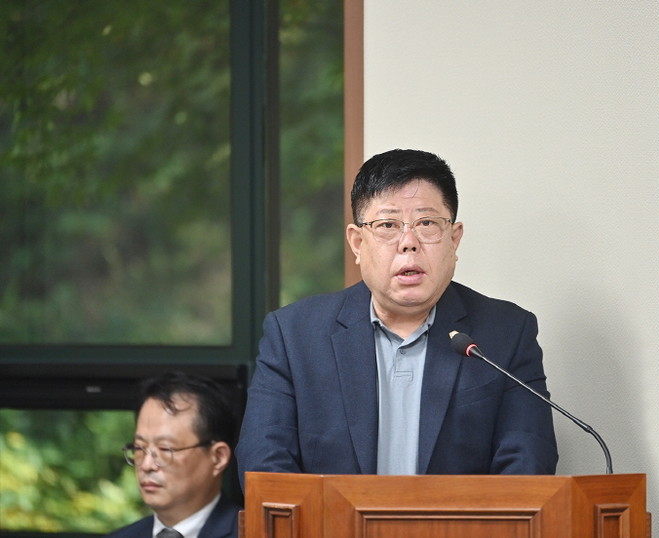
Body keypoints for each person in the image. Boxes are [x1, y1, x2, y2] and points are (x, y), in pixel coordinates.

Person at [236, 148, 557, 483]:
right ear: (357, 242)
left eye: (427, 223)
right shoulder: (295, 335)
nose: (408, 242)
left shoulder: (506, 333)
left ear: (454, 239)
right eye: (387, 225)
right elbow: (264, 466)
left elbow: (527, 464)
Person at [108, 371, 241, 538]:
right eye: (140, 448)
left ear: (218, 457)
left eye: (165, 449)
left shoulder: (252, 532)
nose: (147, 465)